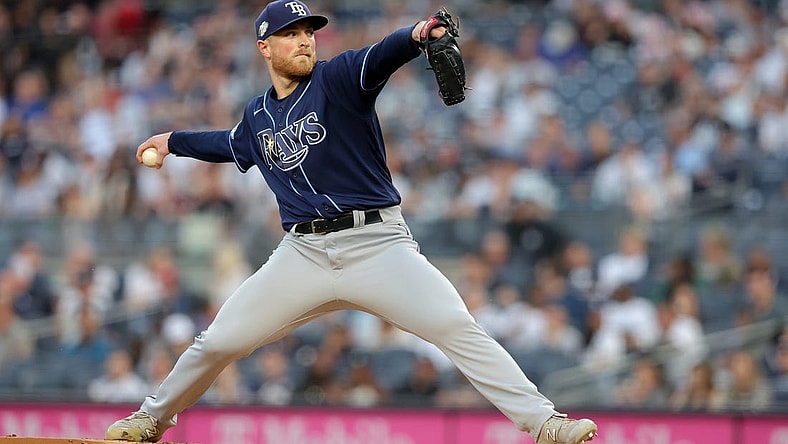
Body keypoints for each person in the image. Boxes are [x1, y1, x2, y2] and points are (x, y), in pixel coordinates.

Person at [105, 1, 598, 443]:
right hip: (303, 254)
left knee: (455, 325)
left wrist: (417, 35)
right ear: (264, 47)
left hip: (377, 244)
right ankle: (151, 419)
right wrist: (172, 141)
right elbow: (227, 143)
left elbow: (381, 54)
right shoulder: (257, 117)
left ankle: (545, 424)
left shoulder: (338, 77)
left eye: (309, 31)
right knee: (217, 341)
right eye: (290, 33)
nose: (304, 39)